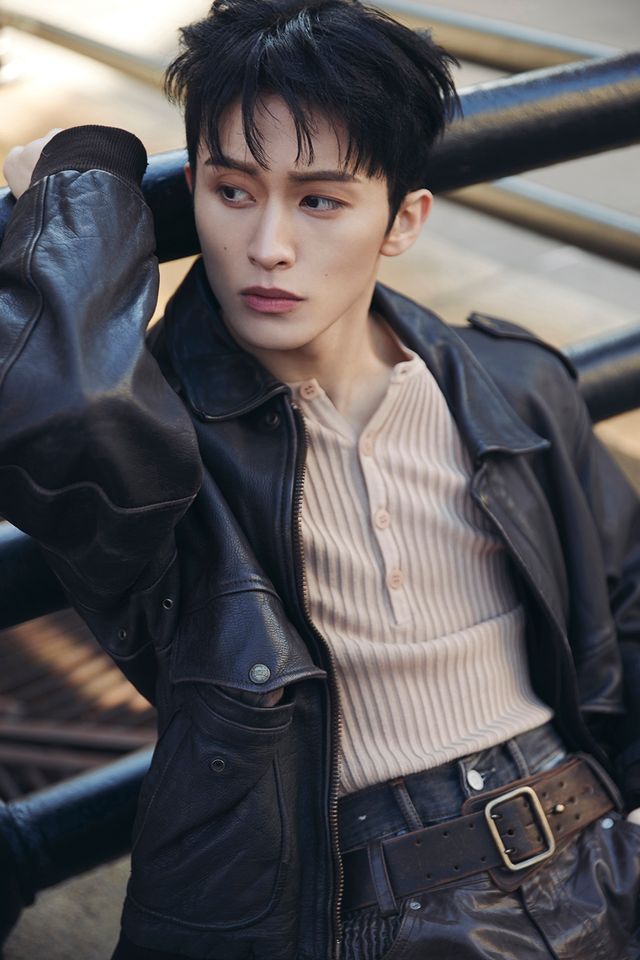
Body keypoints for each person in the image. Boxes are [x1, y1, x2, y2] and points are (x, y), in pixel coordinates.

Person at [1, 0, 640, 957]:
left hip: (599, 848)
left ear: (402, 220)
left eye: (320, 201)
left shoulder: (514, 385)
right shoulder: (167, 441)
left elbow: (629, 603)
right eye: (231, 191)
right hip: (355, 910)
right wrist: (80, 180)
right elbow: (61, 408)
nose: (268, 246)